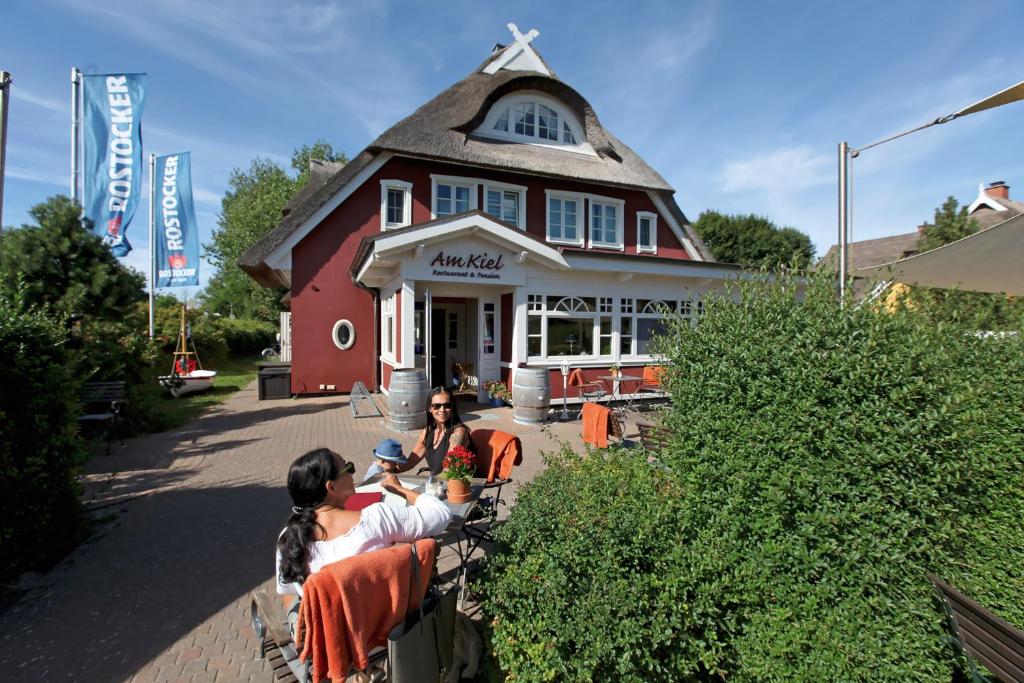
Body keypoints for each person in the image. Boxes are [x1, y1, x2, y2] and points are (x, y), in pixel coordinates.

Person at [275, 448, 452, 598]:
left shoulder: (289, 538)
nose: (353, 472)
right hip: (384, 628)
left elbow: (288, 592)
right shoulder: (376, 520)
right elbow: (440, 514)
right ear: (331, 487)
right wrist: (400, 490)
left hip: (331, 636)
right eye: (348, 468)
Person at [375, 387, 473, 477]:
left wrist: (429, 486)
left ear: (452, 408)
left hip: (459, 486)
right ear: (430, 408)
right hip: (439, 484)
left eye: (447, 405)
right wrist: (388, 471)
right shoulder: (427, 432)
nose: (442, 410)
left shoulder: (458, 433)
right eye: (437, 406)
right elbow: (410, 462)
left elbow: (449, 470)